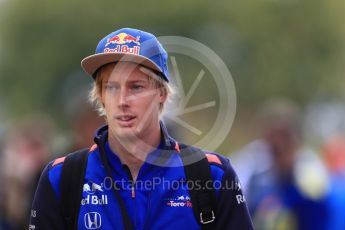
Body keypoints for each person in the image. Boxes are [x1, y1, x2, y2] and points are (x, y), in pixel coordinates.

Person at [29, 28, 253, 230]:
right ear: (100, 97)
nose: (122, 100)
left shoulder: (212, 174)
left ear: (162, 93)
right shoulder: (61, 177)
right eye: (112, 87)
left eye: (136, 87)